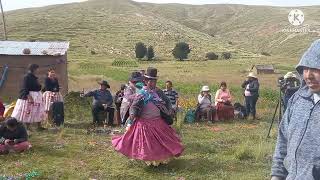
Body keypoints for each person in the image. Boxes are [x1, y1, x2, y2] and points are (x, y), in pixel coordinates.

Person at [112, 67, 184, 166]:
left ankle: (159, 160)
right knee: (147, 145)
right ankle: (149, 162)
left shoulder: (158, 92)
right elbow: (134, 106)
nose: (153, 83)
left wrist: (169, 110)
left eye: (154, 80)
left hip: (158, 122)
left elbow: (167, 101)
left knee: (162, 143)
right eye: (151, 80)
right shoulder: (141, 93)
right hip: (144, 123)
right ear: (145, 81)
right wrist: (132, 116)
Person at [271, 39, 320, 180]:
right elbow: (283, 139)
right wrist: (277, 174)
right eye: (305, 68)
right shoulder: (297, 99)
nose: (308, 75)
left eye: (316, 68)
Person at [11, 64, 46, 131]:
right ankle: (27, 127)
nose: (38, 70)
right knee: (29, 111)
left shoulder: (34, 77)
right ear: (34, 69)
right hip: (30, 95)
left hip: (36, 96)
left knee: (38, 110)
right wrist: (29, 97)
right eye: (37, 69)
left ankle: (39, 126)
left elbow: (36, 86)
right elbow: (25, 87)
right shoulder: (27, 77)